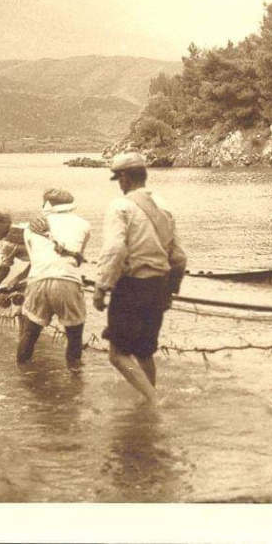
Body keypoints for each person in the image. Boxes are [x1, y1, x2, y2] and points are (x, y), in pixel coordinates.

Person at [93, 152, 187, 407]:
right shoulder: (163, 207)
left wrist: (102, 287)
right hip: (159, 285)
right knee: (144, 352)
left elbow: (115, 250)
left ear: (124, 178)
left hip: (132, 286)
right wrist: (170, 291)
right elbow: (179, 257)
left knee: (117, 355)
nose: (119, 184)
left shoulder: (120, 206)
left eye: (118, 179)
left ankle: (154, 402)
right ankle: (147, 406)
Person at [18, 188, 92, 367]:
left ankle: (22, 372)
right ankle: (75, 375)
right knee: (74, 335)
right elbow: (77, 259)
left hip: (38, 280)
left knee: (30, 333)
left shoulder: (31, 228)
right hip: (67, 280)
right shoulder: (84, 225)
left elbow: (35, 259)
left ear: (47, 204)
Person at [0, 211, 30, 295]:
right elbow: (39, 259)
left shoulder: (12, 241)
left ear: (6, 223)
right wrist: (19, 278)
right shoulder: (21, 231)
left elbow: (3, 269)